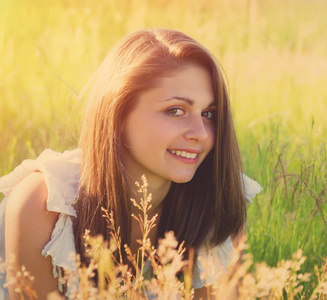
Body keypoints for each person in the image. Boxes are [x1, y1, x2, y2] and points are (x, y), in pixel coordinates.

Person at [0, 28, 262, 299]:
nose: (201, 133)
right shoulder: (46, 205)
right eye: (176, 111)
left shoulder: (219, 201)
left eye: (209, 113)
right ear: (119, 112)